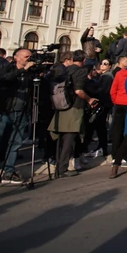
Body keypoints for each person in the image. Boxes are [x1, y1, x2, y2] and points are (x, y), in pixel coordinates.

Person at [0, 48, 38, 188]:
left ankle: (8, 172)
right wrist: (23, 70)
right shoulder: (5, 68)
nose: (29, 59)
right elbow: (4, 80)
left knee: (15, 144)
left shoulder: (30, 73)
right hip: (3, 111)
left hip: (21, 112)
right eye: (26, 56)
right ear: (16, 57)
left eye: (30, 57)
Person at [49, 51, 99, 179]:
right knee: (69, 139)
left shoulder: (64, 69)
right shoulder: (80, 71)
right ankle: (62, 169)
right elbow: (78, 90)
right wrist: (89, 100)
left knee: (60, 138)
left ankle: (58, 166)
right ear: (83, 60)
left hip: (60, 105)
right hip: (74, 107)